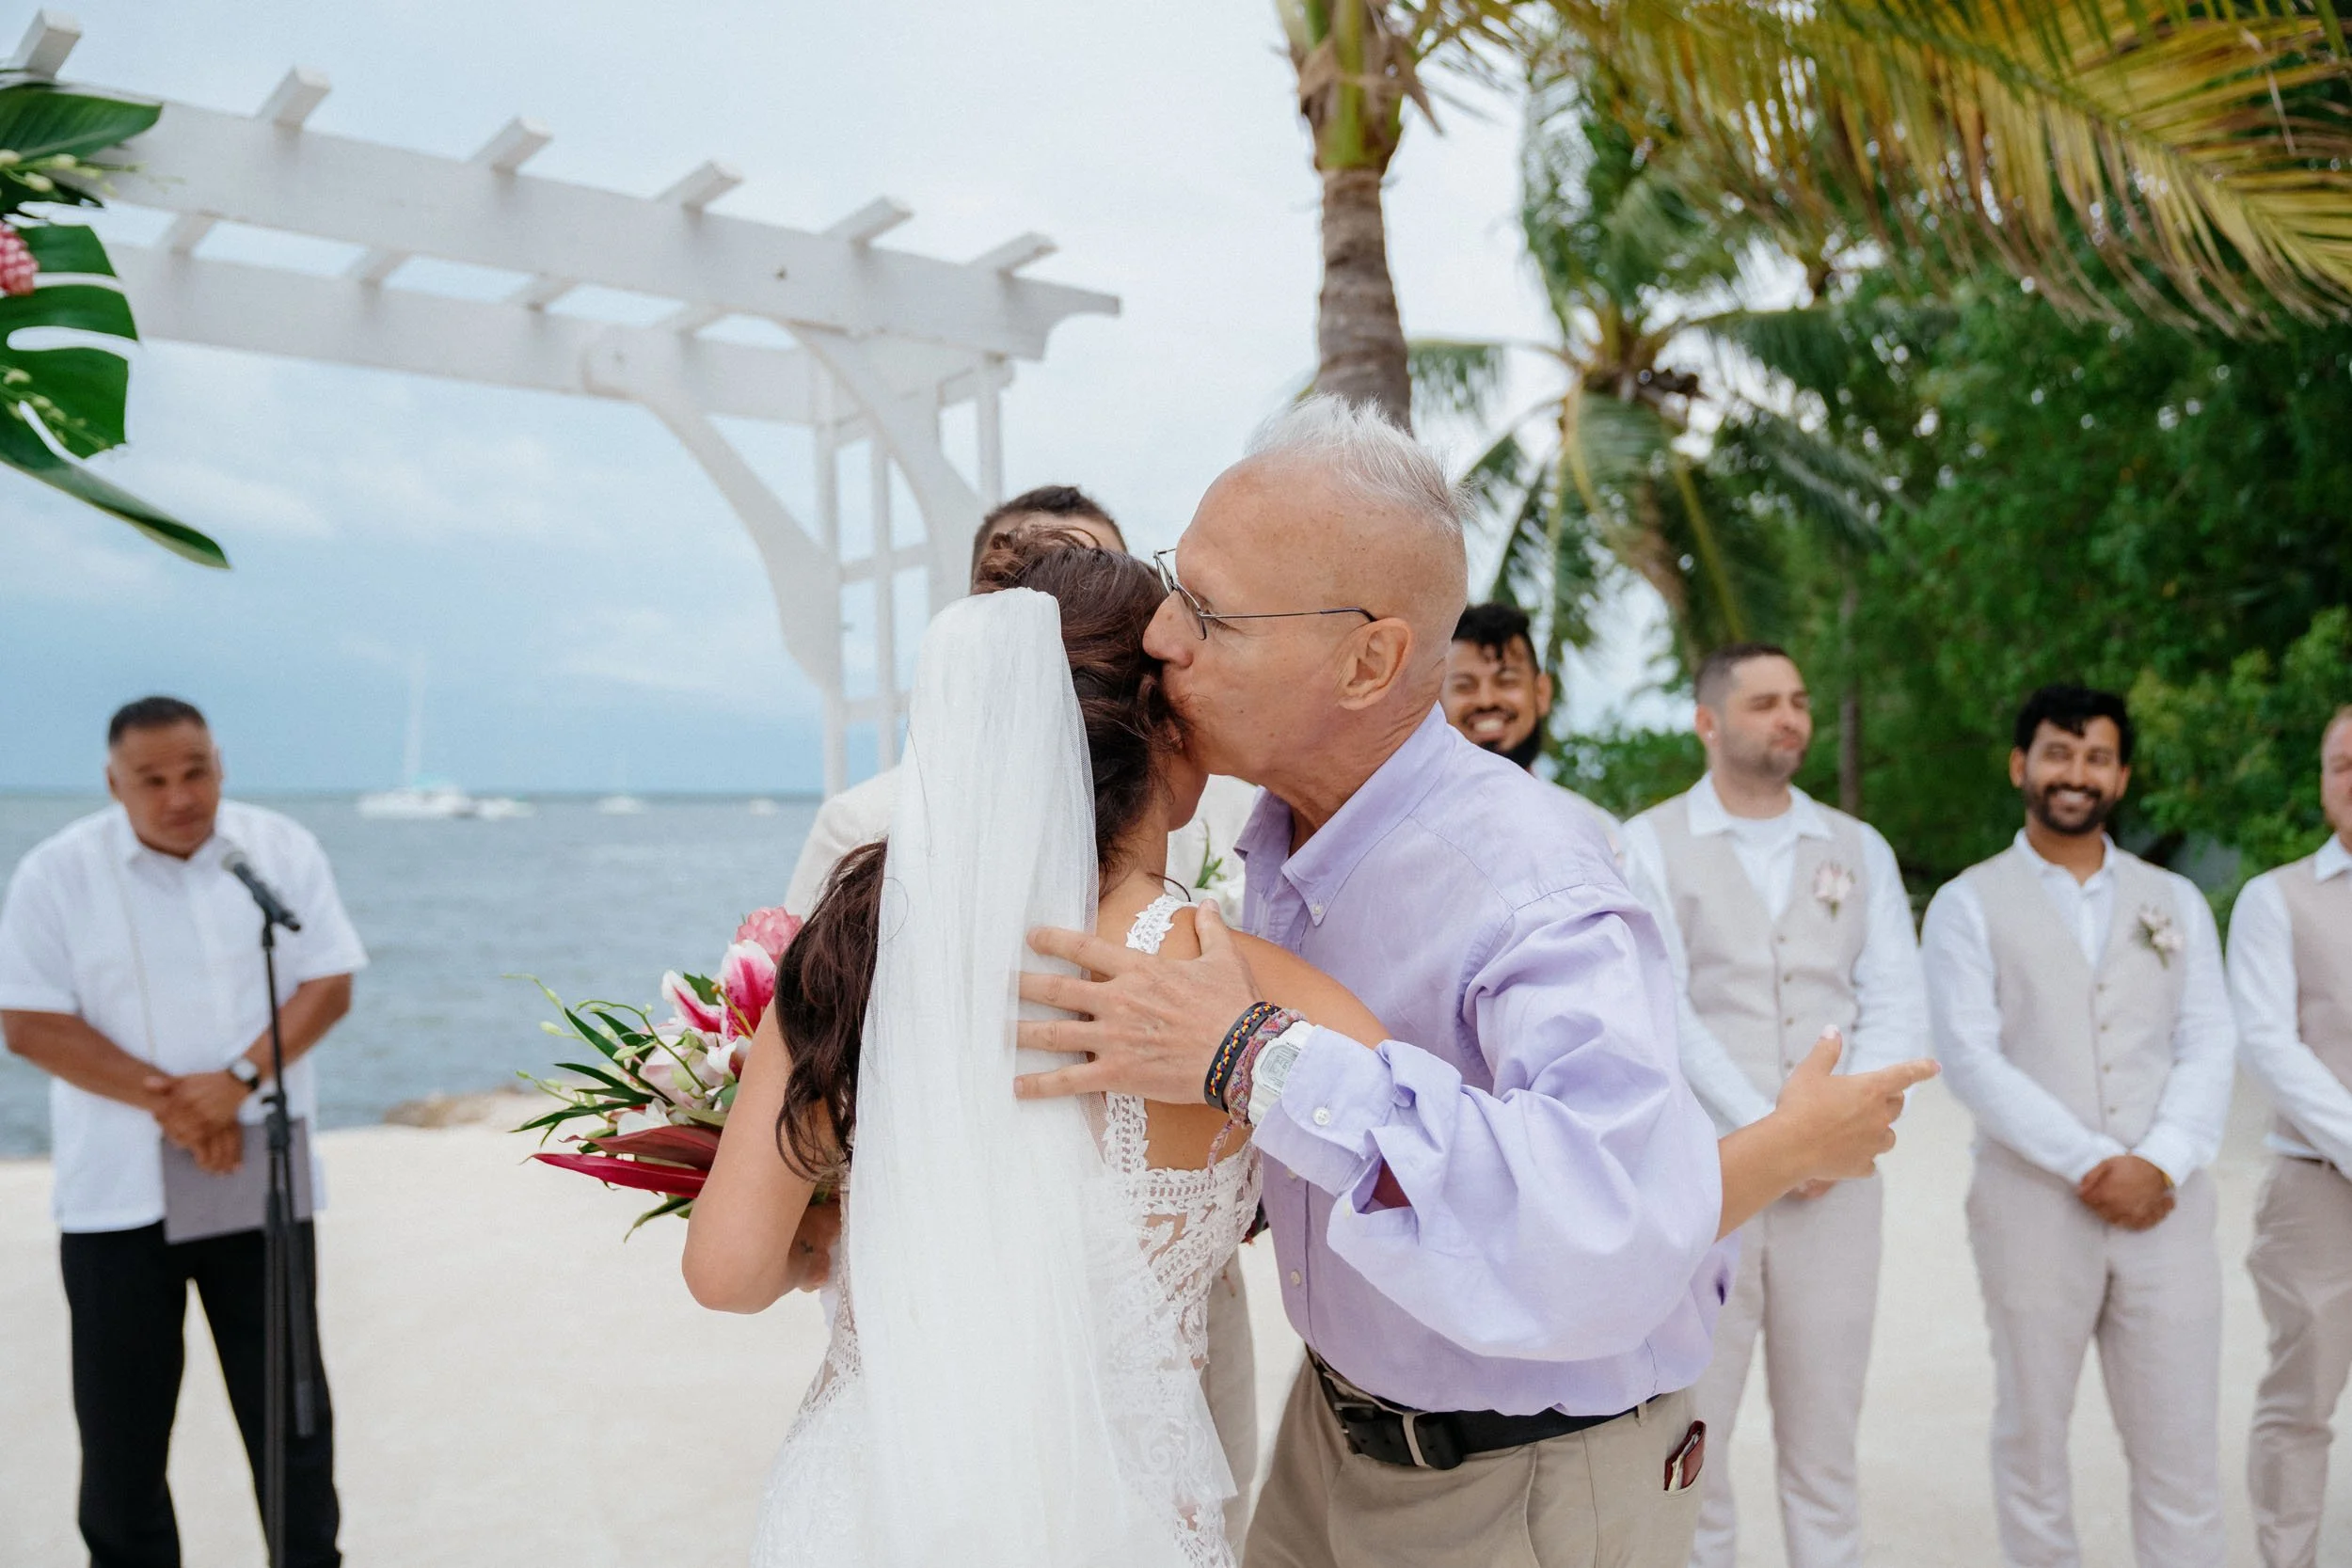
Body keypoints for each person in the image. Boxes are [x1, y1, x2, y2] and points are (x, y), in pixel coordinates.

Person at [1009, 398, 1936, 1568]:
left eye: (1208, 612)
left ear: (1370, 660)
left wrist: (1250, 1057)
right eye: (1168, 585)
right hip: (1331, 1425)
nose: (1161, 640)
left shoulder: (1532, 886)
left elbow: (1601, 1219)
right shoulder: (1280, 831)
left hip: (1525, 1476)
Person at [683, 535, 1388, 1567]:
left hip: (872, 1490)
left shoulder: (852, 948)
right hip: (1114, 1507)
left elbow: (727, 1269)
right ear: (1163, 721)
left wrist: (841, 1227)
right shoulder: (1209, 966)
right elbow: (1410, 1126)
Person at [776, 483, 1264, 1536]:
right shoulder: (865, 828)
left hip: (1001, 1405)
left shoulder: (855, 927)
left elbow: (730, 1253)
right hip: (1006, 1376)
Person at [0, 696, 366, 1568]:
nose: (178, 795)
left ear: (220, 762)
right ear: (112, 782)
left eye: (195, 769)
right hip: (116, 1198)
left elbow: (327, 980)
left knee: (292, 1419)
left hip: (260, 1187)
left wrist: (233, 1083)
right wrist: (179, 1105)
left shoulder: (276, 852)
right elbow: (28, 1021)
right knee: (122, 1438)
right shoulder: (57, 871)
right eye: (152, 779)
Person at [1619, 643, 1926, 1568]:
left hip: (1839, 1186)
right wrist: (1782, 1131)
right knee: (1696, 1430)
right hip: (1706, 1181)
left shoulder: (1856, 847)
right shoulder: (1645, 843)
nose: (1789, 716)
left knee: (1827, 1437)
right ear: (1707, 720)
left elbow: (1895, 997)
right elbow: (1660, 1005)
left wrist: (1834, 1130)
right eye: (1763, 701)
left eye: (1798, 699)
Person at [1921, 684, 2235, 1568]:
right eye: (2059, 752)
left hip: (2166, 1209)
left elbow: (2210, 1040)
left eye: (2097, 756)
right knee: (2033, 1435)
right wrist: (2099, 1162)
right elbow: (1972, 1058)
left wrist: (2162, 1160)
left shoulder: (2173, 898)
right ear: (2022, 765)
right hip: (2031, 1208)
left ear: (2122, 775)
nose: (2077, 772)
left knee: (2179, 1447)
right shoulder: (1967, 903)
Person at [2231, 704, 2352, 1568]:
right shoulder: (2275, 899)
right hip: (2317, 1190)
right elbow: (2272, 1045)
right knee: (2302, 1398)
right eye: (2343, 763)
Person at [1442, 601, 1622, 861]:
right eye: (1464, 686)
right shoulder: (1403, 833)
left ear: (1541, 693)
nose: (1486, 700)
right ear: (1436, 700)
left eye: (1506, 681)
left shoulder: (1596, 833)